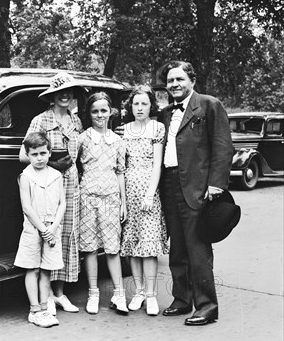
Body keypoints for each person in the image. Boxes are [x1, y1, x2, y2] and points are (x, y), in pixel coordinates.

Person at [160, 61, 233, 325]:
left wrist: (215, 185)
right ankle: (182, 299)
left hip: (197, 186)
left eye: (179, 79)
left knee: (198, 248)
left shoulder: (209, 104)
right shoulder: (166, 112)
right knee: (176, 247)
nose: (174, 85)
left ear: (192, 80)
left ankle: (207, 306)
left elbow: (223, 146)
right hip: (169, 184)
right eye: (170, 81)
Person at [19, 72, 83, 315]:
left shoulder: (75, 121)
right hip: (47, 183)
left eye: (69, 91)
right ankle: (44, 298)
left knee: (65, 235)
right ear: (53, 95)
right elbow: (23, 155)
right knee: (46, 234)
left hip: (71, 184)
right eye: (60, 92)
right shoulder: (41, 121)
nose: (65, 95)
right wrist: (52, 164)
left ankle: (59, 293)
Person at [77, 92, 128, 314]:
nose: (100, 115)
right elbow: (73, 167)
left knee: (112, 247)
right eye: (95, 111)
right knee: (89, 248)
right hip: (88, 198)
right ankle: (93, 293)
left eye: (104, 110)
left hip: (111, 198)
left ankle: (119, 294)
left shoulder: (117, 141)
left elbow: (120, 172)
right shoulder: (82, 139)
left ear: (111, 112)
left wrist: (123, 203)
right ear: (89, 113)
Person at [120, 85, 169, 316]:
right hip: (129, 188)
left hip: (148, 190)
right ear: (130, 106)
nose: (139, 108)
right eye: (136, 104)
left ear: (151, 106)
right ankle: (138, 291)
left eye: (144, 104)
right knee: (132, 243)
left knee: (149, 246)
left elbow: (157, 164)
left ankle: (151, 294)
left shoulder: (157, 128)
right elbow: (121, 166)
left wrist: (150, 193)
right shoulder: (124, 130)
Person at [14, 132, 66, 328]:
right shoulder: (26, 176)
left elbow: (62, 203)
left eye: (43, 153)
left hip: (52, 228)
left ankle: (45, 309)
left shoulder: (56, 175)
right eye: (34, 154)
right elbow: (27, 207)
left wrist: (52, 228)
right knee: (33, 269)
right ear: (28, 154)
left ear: (49, 153)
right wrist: (44, 229)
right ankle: (34, 310)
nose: (39, 158)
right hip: (33, 229)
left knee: (46, 271)